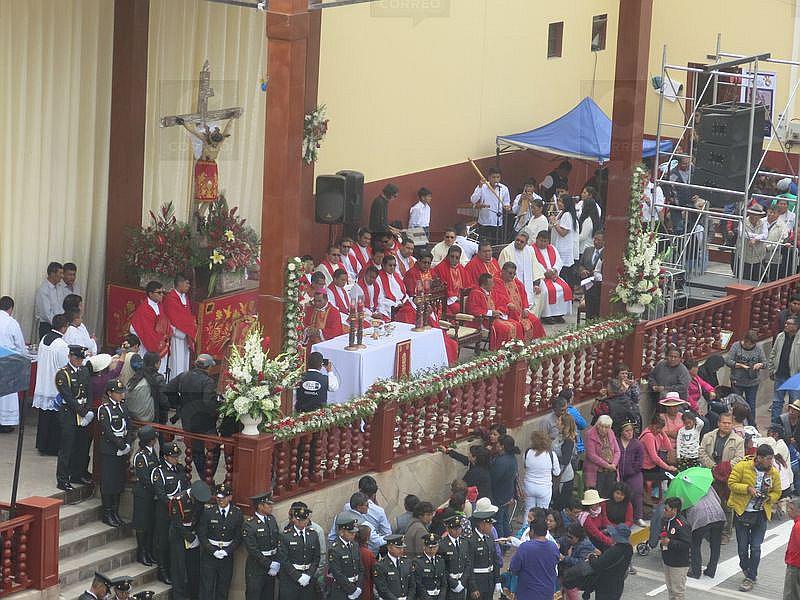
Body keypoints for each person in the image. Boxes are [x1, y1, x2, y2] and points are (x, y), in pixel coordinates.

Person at [728, 443, 782, 592]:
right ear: (759, 457)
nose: (771, 462)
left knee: (756, 548)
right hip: (743, 512)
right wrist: (747, 489)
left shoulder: (773, 472)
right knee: (742, 549)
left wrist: (769, 498)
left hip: (761, 514)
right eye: (768, 459)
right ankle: (745, 567)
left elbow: (777, 492)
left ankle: (751, 577)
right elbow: (731, 483)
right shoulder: (742, 466)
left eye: (772, 458)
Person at [164, 354, 220, 479]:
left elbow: (168, 389)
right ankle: (207, 478)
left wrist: (179, 404)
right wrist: (217, 410)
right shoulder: (208, 382)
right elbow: (208, 403)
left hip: (188, 420)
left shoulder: (183, 376)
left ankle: (204, 477)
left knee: (197, 451)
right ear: (208, 367)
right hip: (205, 423)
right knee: (214, 450)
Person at [55, 344, 93, 491]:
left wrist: (88, 410)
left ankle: (77, 473)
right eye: (77, 358)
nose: (79, 361)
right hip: (69, 414)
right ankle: (62, 479)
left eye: (81, 359)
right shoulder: (63, 374)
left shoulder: (84, 371)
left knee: (81, 446)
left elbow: (89, 392)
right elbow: (68, 397)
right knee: (67, 448)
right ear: (70, 356)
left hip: (83, 412)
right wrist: (82, 412)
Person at [152, 442, 189, 584]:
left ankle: (174, 571)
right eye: (173, 457)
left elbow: (185, 488)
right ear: (166, 457)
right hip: (165, 511)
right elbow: (161, 494)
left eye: (177, 456)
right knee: (163, 542)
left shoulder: (179, 469)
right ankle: (163, 571)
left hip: (178, 512)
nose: (176, 459)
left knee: (175, 542)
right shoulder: (159, 472)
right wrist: (173, 506)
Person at [197, 483, 243, 600]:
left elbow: (238, 537)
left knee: (223, 588)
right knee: (207, 587)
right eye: (218, 498)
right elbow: (202, 534)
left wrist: (227, 551)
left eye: (223, 497)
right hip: (209, 555)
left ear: (230, 497)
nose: (220, 500)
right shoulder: (208, 512)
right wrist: (212, 550)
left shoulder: (237, 513)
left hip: (227, 556)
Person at [32, 313, 70, 455]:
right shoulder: (61, 344)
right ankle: (52, 448)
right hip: (54, 386)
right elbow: (65, 365)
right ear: (64, 327)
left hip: (43, 383)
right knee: (55, 420)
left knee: (44, 418)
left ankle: (42, 445)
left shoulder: (44, 339)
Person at [169, 480, 212, 600]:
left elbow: (199, 517)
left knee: (194, 568)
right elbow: (176, 523)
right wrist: (189, 536)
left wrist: (195, 536)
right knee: (179, 569)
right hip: (179, 536)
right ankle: (179, 597)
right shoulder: (178, 500)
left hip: (193, 535)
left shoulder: (200, 501)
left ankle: (194, 595)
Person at [98, 379, 132, 526]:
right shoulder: (104, 409)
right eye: (118, 393)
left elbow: (128, 427)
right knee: (108, 482)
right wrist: (120, 445)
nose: (121, 395)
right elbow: (107, 431)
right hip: (110, 450)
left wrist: (127, 444)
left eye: (121, 392)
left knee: (118, 482)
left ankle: (115, 512)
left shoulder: (123, 407)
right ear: (110, 393)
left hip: (122, 449)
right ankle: (107, 513)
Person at [242, 491, 281, 600]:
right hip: (256, 567)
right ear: (260, 506)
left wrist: (276, 562)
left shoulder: (271, 519)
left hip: (272, 564)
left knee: (268, 595)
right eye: (268, 504)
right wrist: (269, 564)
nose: (271, 507)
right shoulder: (250, 524)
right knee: (254, 595)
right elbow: (252, 549)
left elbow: (277, 541)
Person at [492, 262, 546, 340]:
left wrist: (525, 309)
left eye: (514, 274)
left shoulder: (515, 281)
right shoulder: (496, 281)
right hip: (508, 313)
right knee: (517, 326)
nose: (512, 276)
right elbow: (497, 299)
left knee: (535, 320)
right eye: (510, 273)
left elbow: (523, 294)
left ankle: (536, 344)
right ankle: (519, 344)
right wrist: (508, 305)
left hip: (520, 312)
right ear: (503, 271)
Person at [498, 232, 545, 316]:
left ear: (526, 243)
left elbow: (535, 268)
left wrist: (536, 284)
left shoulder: (530, 251)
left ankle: (533, 316)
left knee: (541, 289)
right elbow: (503, 272)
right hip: (511, 283)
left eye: (522, 242)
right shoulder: (507, 251)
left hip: (527, 285)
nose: (519, 242)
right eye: (517, 240)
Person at [130, 281, 172, 375]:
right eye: (159, 292)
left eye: (163, 292)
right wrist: (158, 342)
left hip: (160, 340)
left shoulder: (160, 306)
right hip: (146, 344)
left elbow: (164, 322)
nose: (162, 295)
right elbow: (146, 331)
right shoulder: (144, 310)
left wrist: (165, 335)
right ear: (150, 294)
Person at [465, 273, 517, 349]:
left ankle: (516, 349)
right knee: (505, 329)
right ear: (484, 284)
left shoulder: (491, 292)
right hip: (484, 320)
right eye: (491, 283)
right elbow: (473, 309)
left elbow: (501, 301)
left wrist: (499, 310)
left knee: (516, 324)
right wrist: (491, 313)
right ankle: (500, 351)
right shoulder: (475, 293)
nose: (493, 285)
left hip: (496, 318)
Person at [132, 425, 160, 567]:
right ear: (151, 440)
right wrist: (157, 489)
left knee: (150, 524)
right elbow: (145, 478)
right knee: (142, 524)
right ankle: (141, 552)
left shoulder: (152, 452)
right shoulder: (141, 456)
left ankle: (148, 551)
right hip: (143, 494)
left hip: (151, 494)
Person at [531, 230, 572, 324]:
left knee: (565, 288)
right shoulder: (531, 249)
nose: (543, 243)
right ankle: (547, 315)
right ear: (537, 239)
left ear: (548, 241)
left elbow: (559, 261)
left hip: (553, 276)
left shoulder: (552, 248)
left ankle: (559, 314)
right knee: (546, 291)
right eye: (541, 240)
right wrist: (545, 273)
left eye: (545, 241)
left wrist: (554, 270)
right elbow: (535, 264)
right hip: (540, 277)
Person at [725, 329, 766, 419]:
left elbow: (765, 363)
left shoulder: (758, 348)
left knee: (751, 404)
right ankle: (737, 422)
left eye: (753, 344)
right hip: (737, 381)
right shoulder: (736, 346)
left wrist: (760, 365)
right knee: (737, 405)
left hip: (753, 382)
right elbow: (727, 360)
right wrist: (738, 365)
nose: (751, 346)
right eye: (750, 344)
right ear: (745, 340)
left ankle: (751, 423)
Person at [686, 486, 726, 579]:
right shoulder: (706, 485)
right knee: (715, 544)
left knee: (695, 544)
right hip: (718, 514)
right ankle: (711, 571)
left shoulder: (684, 490)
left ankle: (696, 572)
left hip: (700, 517)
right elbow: (718, 500)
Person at [163, 274, 197, 378]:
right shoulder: (171, 299)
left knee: (185, 361)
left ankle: (184, 382)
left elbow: (186, 316)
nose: (189, 286)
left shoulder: (185, 297)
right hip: (176, 335)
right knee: (177, 362)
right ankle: (176, 383)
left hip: (185, 335)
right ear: (179, 283)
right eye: (187, 283)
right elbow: (173, 318)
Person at [0, 297, 26, 432]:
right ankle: (4, 422)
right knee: (6, 395)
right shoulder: (11, 322)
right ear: (10, 308)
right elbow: (20, 344)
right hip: (7, 360)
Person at [640, 414, 678, 505]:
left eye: (660, 428)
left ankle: (666, 496)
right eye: (657, 428)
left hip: (653, 467)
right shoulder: (648, 436)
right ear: (651, 425)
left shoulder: (656, 434)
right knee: (672, 474)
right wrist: (668, 467)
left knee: (674, 471)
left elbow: (668, 447)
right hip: (646, 469)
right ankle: (669, 499)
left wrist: (663, 433)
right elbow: (654, 458)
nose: (658, 430)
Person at [659, 497, 691, 600]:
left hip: (678, 564)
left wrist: (670, 542)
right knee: (670, 590)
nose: (664, 511)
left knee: (677, 592)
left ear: (674, 510)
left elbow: (687, 544)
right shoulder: (665, 520)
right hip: (667, 560)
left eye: (666, 509)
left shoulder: (682, 524)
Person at [465, 510, 501, 600]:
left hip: (489, 581)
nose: (491, 526)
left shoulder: (489, 537)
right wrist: (473, 587)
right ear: (481, 525)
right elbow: (469, 566)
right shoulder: (471, 541)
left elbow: (495, 560)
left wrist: (497, 580)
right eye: (489, 524)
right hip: (478, 582)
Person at [770, 316, 800, 424]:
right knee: (777, 402)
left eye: (789, 323)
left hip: (795, 377)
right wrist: (772, 369)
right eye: (786, 323)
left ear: (796, 326)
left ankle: (792, 427)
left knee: (794, 404)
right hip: (780, 374)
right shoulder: (780, 336)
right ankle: (775, 425)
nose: (786, 325)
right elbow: (773, 353)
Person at [617, 419, 646, 527]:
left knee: (637, 493)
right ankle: (622, 517)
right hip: (619, 473)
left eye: (631, 431)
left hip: (634, 474)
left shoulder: (637, 444)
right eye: (627, 431)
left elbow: (640, 460)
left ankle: (638, 517)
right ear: (621, 432)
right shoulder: (616, 442)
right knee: (619, 495)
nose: (630, 433)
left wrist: (633, 470)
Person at [470, 168, 511, 245]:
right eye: (493, 177)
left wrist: (507, 207)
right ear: (489, 177)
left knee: (496, 244)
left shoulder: (504, 188)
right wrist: (479, 187)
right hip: (484, 221)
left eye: (498, 177)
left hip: (497, 222)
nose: (496, 179)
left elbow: (506, 202)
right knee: (483, 244)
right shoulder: (483, 186)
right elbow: (473, 200)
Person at [327, 513, 363, 600]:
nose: (353, 534)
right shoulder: (334, 549)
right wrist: (352, 590)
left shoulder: (355, 545)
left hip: (356, 588)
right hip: (342, 590)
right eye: (350, 532)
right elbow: (337, 573)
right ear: (341, 532)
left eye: (354, 532)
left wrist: (358, 587)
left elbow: (361, 568)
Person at [489, 435, 519, 538]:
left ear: (502, 446)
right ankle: (507, 540)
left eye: (498, 444)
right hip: (507, 494)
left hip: (499, 496)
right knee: (505, 519)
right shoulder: (512, 458)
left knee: (498, 522)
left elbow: (493, 478)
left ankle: (501, 543)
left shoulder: (501, 461)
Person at [126, 351, 168, 424]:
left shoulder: (137, 375)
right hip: (151, 418)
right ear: (156, 364)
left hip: (132, 416)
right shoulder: (158, 378)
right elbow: (163, 400)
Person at [522, 430, 560, 512]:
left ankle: (526, 521)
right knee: (543, 512)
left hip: (529, 487)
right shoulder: (551, 455)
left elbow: (525, 466)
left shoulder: (527, 452)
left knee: (528, 510)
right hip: (544, 488)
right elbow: (557, 472)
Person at [437, 509, 470, 600]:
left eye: (459, 528)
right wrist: (453, 583)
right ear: (448, 529)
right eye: (454, 529)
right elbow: (441, 568)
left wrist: (462, 582)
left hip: (462, 583)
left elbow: (467, 564)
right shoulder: (442, 545)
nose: (457, 531)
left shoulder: (464, 543)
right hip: (448, 585)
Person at [584, 414, 620, 499]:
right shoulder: (590, 434)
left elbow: (617, 451)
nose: (603, 429)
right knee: (598, 495)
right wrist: (607, 465)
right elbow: (591, 455)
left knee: (610, 494)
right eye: (601, 426)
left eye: (606, 427)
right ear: (597, 424)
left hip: (611, 470)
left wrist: (614, 464)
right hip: (597, 472)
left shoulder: (611, 433)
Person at [548, 194, 579, 288]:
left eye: (561, 201)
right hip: (557, 247)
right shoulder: (561, 213)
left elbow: (563, 233)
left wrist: (554, 222)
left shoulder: (567, 215)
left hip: (563, 250)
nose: (558, 203)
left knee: (564, 275)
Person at [373, 534, 415, 600]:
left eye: (402, 548)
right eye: (398, 548)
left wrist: (409, 598)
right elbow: (382, 589)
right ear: (389, 548)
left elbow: (412, 585)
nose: (401, 550)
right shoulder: (380, 566)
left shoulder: (407, 562)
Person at [432, 246, 469, 311]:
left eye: (457, 258)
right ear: (448, 256)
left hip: (460, 298)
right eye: (452, 256)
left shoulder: (461, 268)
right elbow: (442, 288)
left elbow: (467, 285)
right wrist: (455, 298)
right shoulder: (440, 268)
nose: (454, 259)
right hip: (447, 300)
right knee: (459, 308)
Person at [577, 231, 604, 319]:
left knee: (596, 309)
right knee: (589, 308)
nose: (596, 242)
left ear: (604, 241)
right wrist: (582, 270)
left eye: (599, 240)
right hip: (587, 285)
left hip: (598, 287)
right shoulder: (588, 250)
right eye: (595, 239)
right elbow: (581, 265)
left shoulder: (606, 253)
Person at [554, 414, 578, 510]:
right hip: (557, 474)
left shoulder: (568, 441)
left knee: (561, 505)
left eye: (559, 421)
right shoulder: (559, 436)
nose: (556, 422)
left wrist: (552, 457)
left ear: (564, 425)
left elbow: (565, 460)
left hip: (564, 478)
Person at [738, 204, 768, 281]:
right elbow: (741, 233)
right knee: (743, 277)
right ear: (749, 214)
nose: (755, 216)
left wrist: (755, 239)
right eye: (753, 214)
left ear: (760, 216)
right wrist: (756, 236)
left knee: (756, 278)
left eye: (757, 215)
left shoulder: (763, 223)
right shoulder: (743, 221)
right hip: (744, 254)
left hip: (759, 255)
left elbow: (765, 235)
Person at [34, 261, 63, 340]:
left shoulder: (59, 287)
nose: (62, 276)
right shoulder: (43, 290)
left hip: (60, 326)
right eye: (60, 273)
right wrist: (59, 325)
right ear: (52, 274)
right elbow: (46, 314)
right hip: (48, 327)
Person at [413, 533, 447, 600]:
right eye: (430, 547)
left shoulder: (440, 561)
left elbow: (444, 583)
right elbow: (418, 584)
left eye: (435, 547)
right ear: (424, 547)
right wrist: (427, 598)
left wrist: (441, 597)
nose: (432, 550)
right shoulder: (418, 562)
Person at [763, 205, 789, 281]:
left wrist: (768, 247)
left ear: (778, 214)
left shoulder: (783, 226)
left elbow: (783, 240)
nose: (771, 214)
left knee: (770, 279)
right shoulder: (761, 221)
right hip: (757, 254)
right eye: (770, 212)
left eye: (774, 213)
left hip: (773, 258)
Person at [785, 497, 800, 599]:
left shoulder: (798, 526)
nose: (788, 510)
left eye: (791, 508)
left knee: (791, 595)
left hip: (795, 565)